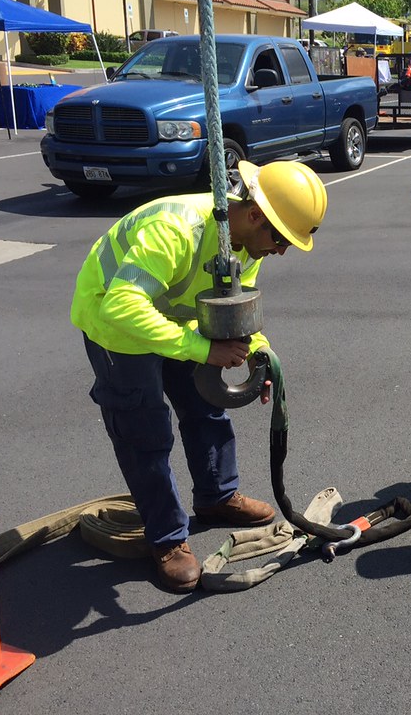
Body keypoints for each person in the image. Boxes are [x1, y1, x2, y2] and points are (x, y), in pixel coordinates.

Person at [71, 161, 328, 592]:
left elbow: (235, 312)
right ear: (253, 215)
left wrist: (260, 355)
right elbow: (122, 305)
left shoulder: (244, 246)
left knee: (207, 404)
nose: (282, 250)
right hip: (117, 327)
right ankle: (168, 540)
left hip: (178, 322)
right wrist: (204, 350)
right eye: (281, 238)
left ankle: (217, 497)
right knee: (146, 434)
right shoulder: (176, 229)